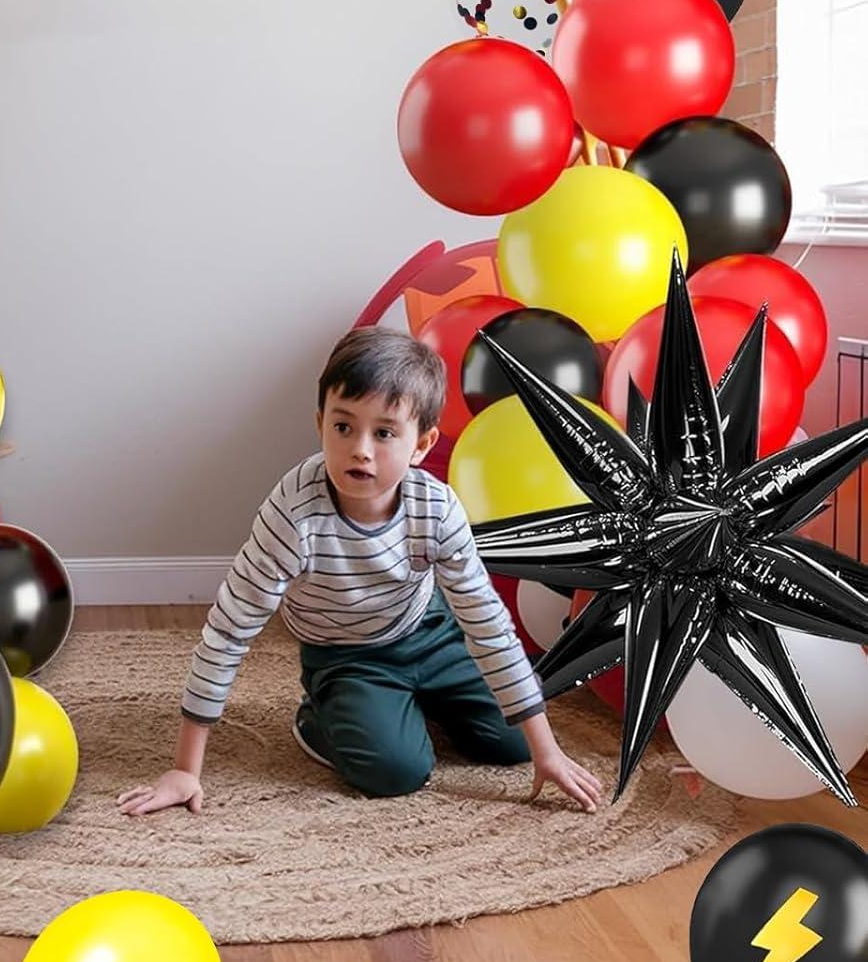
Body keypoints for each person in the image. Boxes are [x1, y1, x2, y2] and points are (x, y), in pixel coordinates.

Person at [119, 326, 602, 817]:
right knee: (396, 771)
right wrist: (186, 767)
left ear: (421, 444)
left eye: (385, 432)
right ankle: (321, 717)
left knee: (512, 745)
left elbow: (488, 626)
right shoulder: (294, 514)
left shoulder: (435, 508)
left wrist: (547, 752)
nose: (361, 449)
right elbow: (228, 631)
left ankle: (418, 701)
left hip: (428, 629)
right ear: (320, 424)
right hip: (346, 652)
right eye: (343, 427)